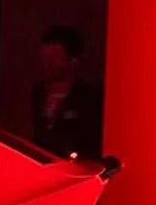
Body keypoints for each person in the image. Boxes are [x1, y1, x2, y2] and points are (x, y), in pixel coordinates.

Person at [31, 25, 104, 160]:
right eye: (46, 58)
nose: (48, 64)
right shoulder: (38, 93)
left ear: (73, 60)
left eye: (55, 58)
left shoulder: (88, 98)